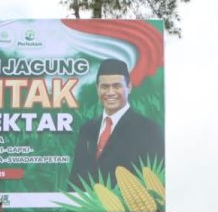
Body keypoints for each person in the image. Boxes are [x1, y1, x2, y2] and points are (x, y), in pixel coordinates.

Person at [69, 58, 164, 189]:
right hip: (88, 207)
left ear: (129, 87)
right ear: (98, 89)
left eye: (117, 86)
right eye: (105, 87)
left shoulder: (148, 130)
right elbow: (75, 180)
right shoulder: (87, 129)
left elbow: (156, 180)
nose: (110, 92)